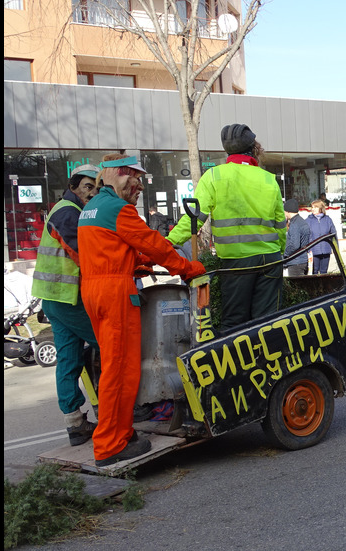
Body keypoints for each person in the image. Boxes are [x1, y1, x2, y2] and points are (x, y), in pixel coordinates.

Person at [78, 153, 207, 467]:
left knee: (113, 366)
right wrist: (187, 268)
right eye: (135, 182)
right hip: (114, 292)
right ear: (121, 175)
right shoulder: (118, 209)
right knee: (120, 371)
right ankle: (109, 445)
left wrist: (135, 263)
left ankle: (121, 433)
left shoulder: (91, 209)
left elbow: (109, 249)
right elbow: (154, 243)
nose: (137, 189)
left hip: (95, 288)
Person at [166, 123, 286, 334]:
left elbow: (193, 220)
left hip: (236, 263)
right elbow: (280, 226)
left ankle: (240, 366)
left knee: (235, 324)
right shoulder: (269, 179)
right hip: (270, 260)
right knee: (267, 322)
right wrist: (280, 253)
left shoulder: (214, 176)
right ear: (253, 148)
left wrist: (166, 243)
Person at [30, 164, 102, 447]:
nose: (92, 192)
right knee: (111, 346)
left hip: (55, 299)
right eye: (87, 187)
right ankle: (123, 409)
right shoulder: (67, 212)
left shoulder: (68, 210)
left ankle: (75, 423)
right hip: (67, 299)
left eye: (95, 187)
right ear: (73, 187)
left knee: (69, 360)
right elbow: (82, 252)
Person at [306, 199, 337, 274]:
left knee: (324, 272)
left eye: (315, 207)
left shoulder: (328, 220)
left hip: (325, 250)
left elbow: (334, 234)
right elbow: (305, 236)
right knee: (314, 272)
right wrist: (307, 249)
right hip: (313, 251)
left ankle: (323, 286)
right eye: (312, 207)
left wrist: (336, 249)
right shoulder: (308, 220)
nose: (313, 209)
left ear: (321, 208)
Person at [283, 198, 310, 276]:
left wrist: (285, 253)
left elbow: (295, 245)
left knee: (296, 286)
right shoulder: (302, 221)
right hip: (303, 261)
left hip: (295, 263)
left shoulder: (295, 224)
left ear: (287, 211)